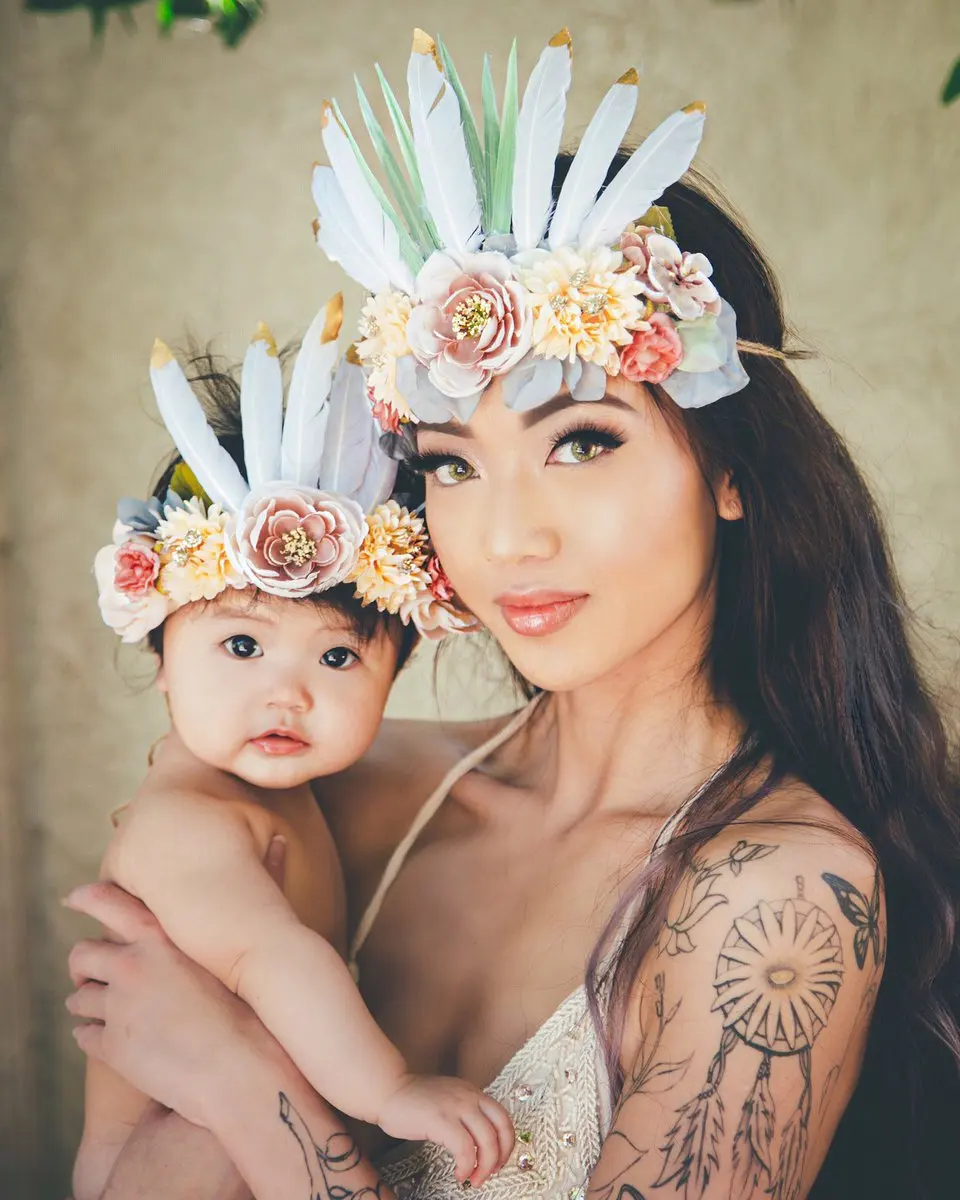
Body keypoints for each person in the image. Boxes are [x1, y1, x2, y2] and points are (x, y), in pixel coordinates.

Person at [65, 28, 960, 1200]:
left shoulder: (773, 897)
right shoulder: (330, 786)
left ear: (733, 468)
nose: (505, 538)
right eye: (450, 465)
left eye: (581, 442)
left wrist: (239, 1083)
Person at [71, 299, 510, 1200]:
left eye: (340, 655)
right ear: (160, 654)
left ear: (394, 679)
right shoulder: (185, 824)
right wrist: (390, 1092)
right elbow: (275, 959)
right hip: (166, 1159)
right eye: (240, 646)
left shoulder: (283, 791)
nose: (288, 691)